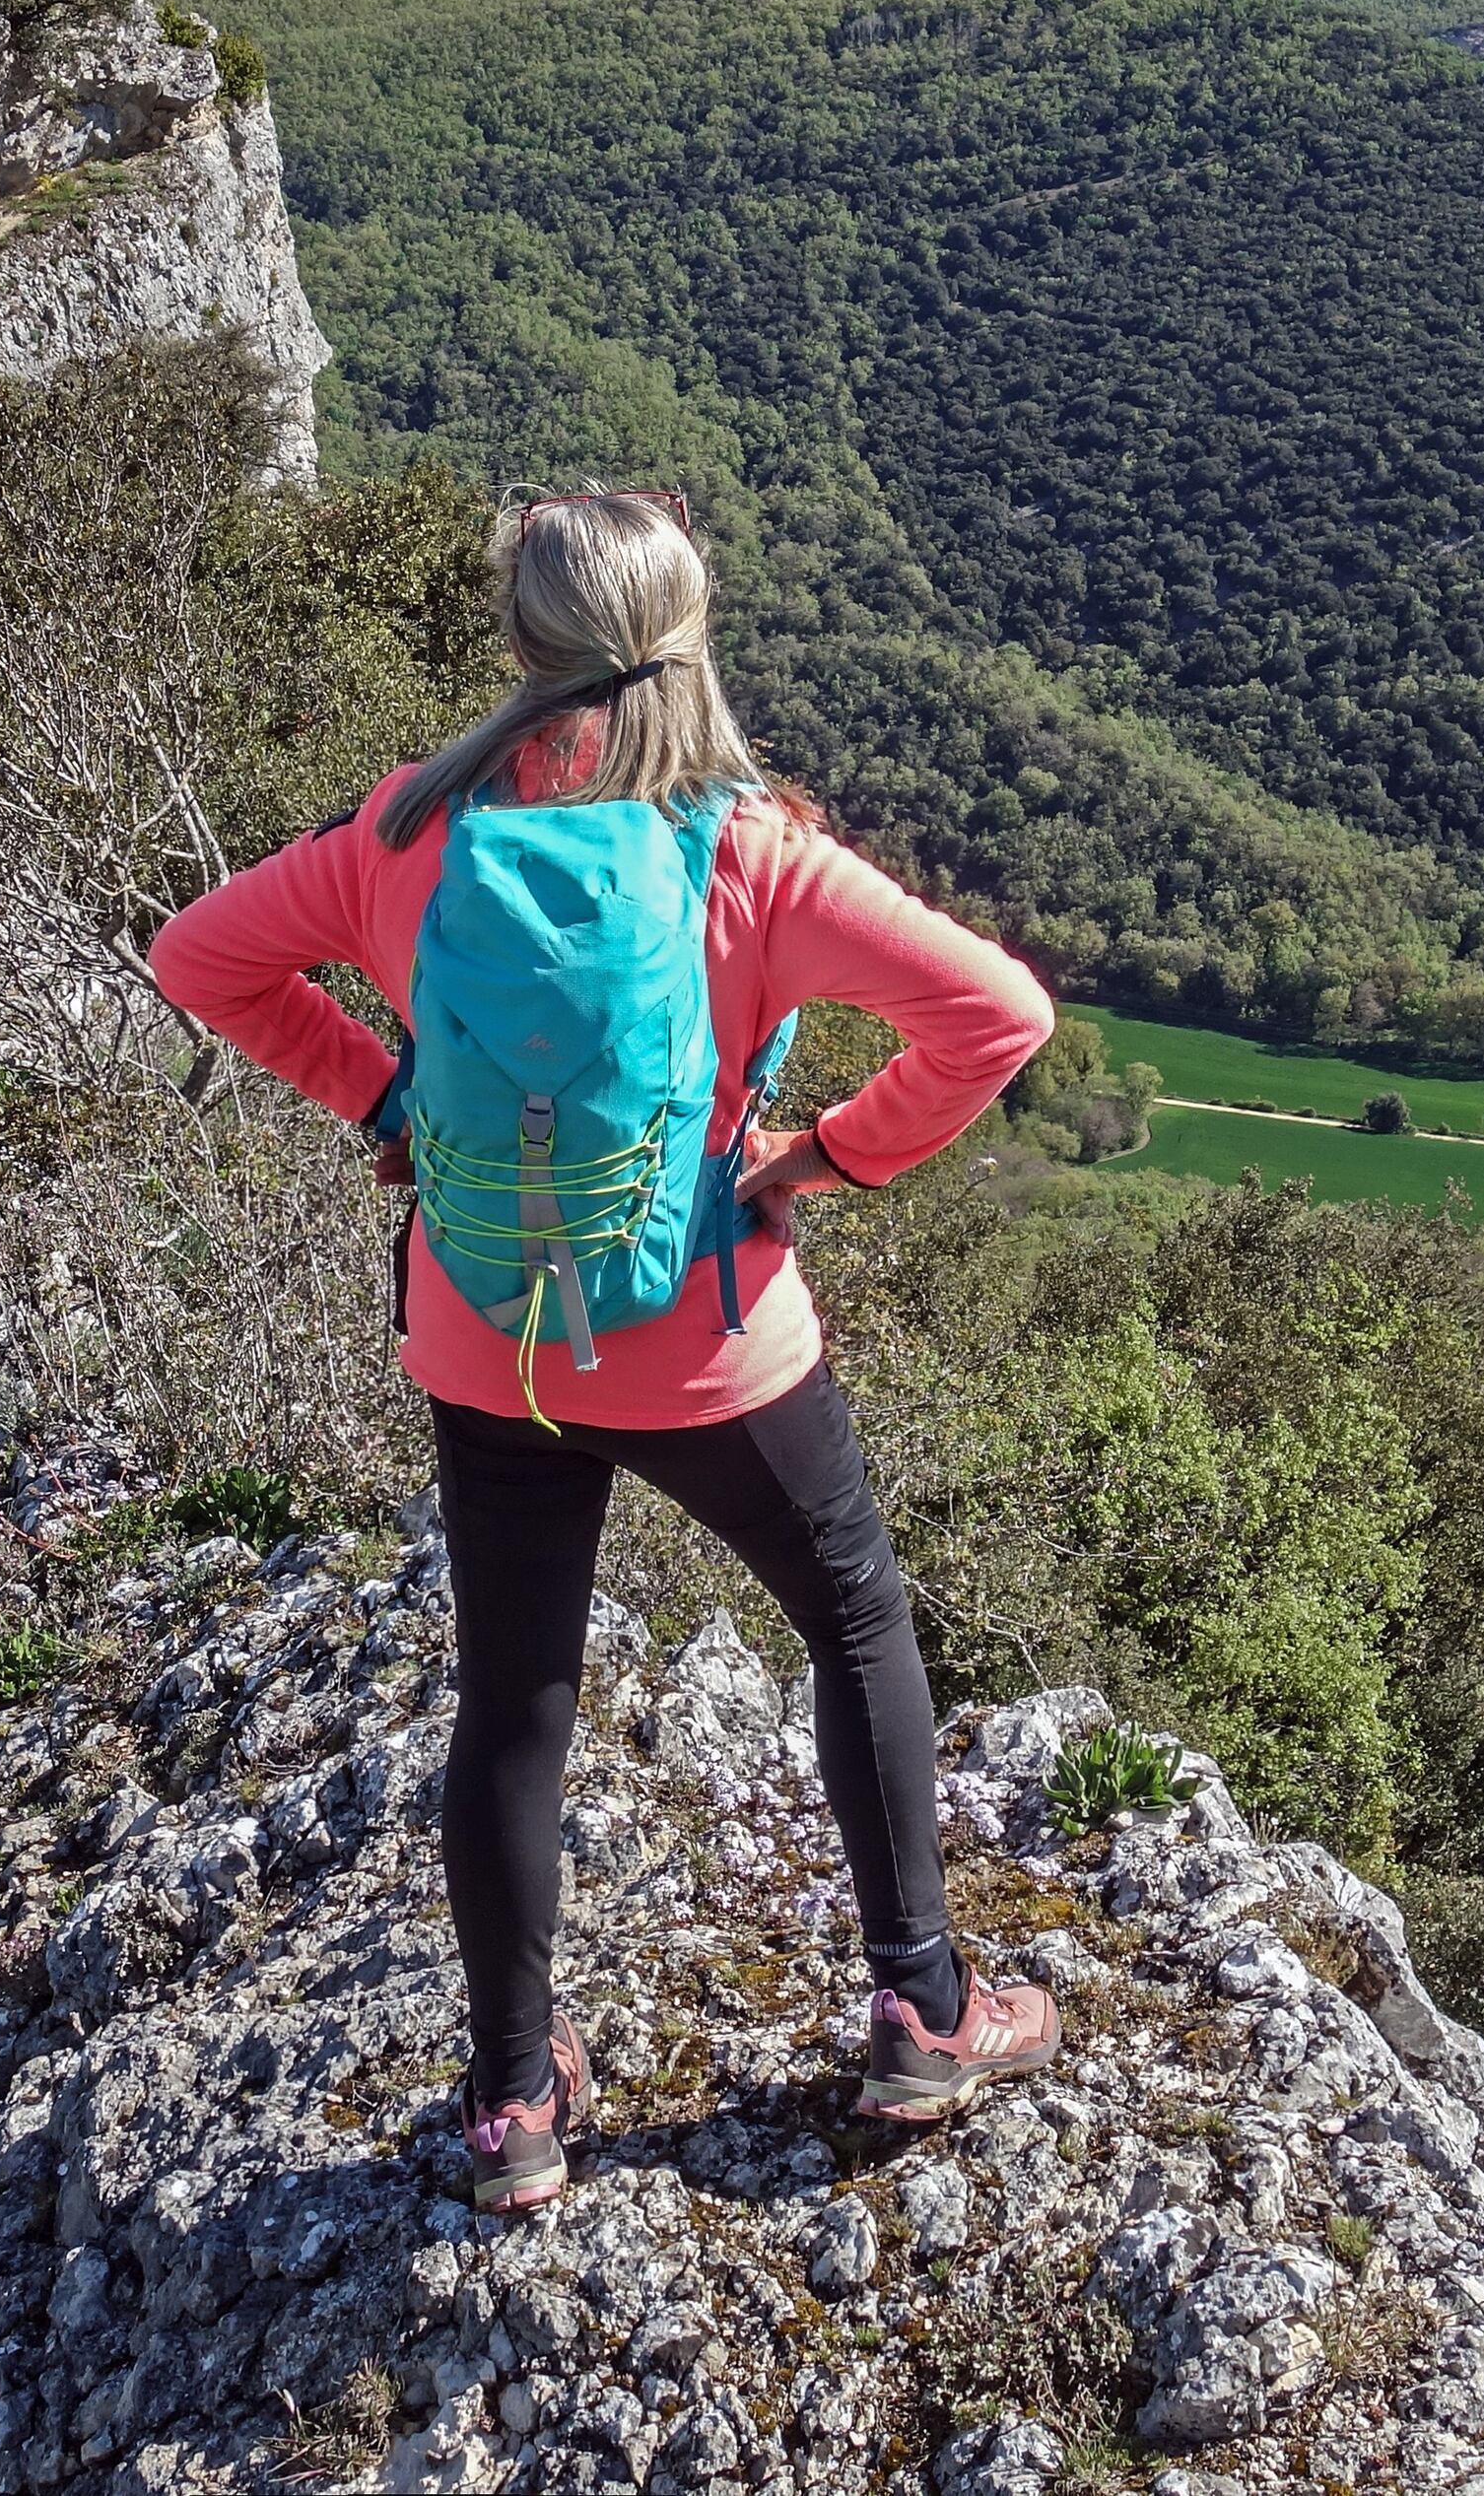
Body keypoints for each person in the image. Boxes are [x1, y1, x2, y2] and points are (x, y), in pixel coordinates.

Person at [148, 487, 1062, 2216]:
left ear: (522, 644)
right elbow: (996, 1013)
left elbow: (198, 958)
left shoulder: (406, 836)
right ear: (687, 636)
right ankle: (924, 2010)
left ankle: (513, 2106)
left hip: (488, 1336)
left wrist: (384, 1095)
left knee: (515, 1698)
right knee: (854, 1610)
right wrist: (835, 1151)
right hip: (709, 1341)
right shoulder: (747, 846)